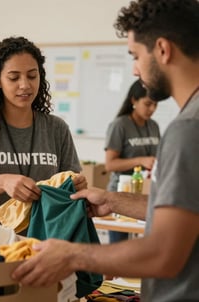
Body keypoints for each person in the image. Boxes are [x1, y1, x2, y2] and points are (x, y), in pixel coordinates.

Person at [12, 1, 199, 301]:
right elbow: (187, 211)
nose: (135, 69)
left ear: (163, 50)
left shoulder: (187, 129)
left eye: (136, 55)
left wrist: (73, 255)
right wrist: (112, 200)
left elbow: (164, 253)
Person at [0, 36, 86, 230]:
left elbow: (70, 188)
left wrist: (77, 186)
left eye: (32, 76)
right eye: (14, 77)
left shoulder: (57, 128)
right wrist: (4, 182)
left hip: (44, 241)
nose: (25, 85)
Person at [105, 79, 160, 243]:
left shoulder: (154, 125)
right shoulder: (120, 125)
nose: (152, 109)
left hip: (144, 194)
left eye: (155, 105)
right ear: (134, 101)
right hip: (121, 192)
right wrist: (141, 160)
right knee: (119, 248)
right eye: (148, 104)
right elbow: (110, 164)